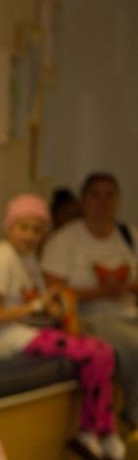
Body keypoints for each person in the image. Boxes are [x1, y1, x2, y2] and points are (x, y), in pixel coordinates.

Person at [0, 191, 124, 460]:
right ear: (9, 227)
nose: (30, 235)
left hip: (26, 329)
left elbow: (34, 299)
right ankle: (95, 430)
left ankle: (100, 429)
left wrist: (52, 308)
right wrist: (36, 308)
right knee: (96, 352)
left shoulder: (29, 259)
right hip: (4, 336)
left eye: (37, 229)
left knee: (102, 351)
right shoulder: (1, 258)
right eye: (23, 227)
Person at [43, 172, 138, 428]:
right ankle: (133, 414)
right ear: (83, 200)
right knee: (133, 344)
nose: (102, 202)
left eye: (109, 195)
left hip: (128, 312)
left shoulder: (129, 235)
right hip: (88, 316)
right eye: (95, 195)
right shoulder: (64, 239)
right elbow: (54, 289)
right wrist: (100, 291)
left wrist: (125, 286)